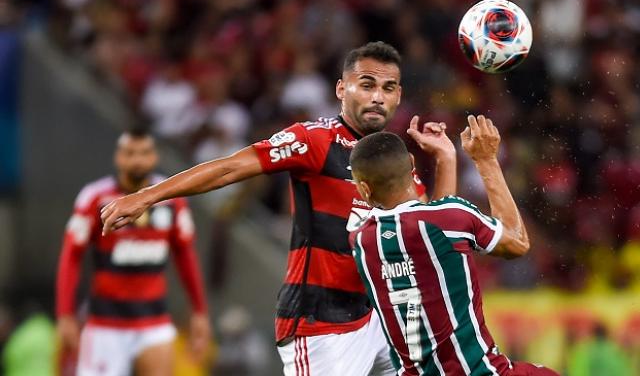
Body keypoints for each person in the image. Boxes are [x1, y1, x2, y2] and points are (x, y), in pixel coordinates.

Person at [101, 41, 458, 375]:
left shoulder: (395, 160)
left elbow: (432, 233)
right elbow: (230, 167)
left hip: (381, 317)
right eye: (366, 85)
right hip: (322, 324)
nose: (378, 97)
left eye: (388, 88)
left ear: (399, 95)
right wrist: (148, 195)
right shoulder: (313, 140)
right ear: (341, 89)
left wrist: (446, 159)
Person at [348, 116, 559, 375]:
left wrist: (446, 159)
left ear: (365, 189)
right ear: (412, 165)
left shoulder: (361, 240)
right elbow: (517, 242)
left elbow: (427, 226)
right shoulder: (450, 218)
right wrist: (486, 160)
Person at [56, 129, 210, 376]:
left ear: (154, 157)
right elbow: (71, 256)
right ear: (118, 157)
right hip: (105, 325)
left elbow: (185, 256)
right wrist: (65, 313)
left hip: (154, 322)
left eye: (144, 153)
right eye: (130, 153)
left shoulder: (172, 199)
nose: (137, 160)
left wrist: (199, 311)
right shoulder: (95, 198)